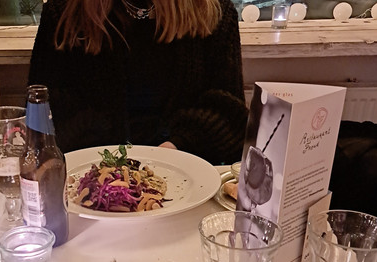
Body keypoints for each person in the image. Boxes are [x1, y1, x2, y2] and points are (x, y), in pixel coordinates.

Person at [28, 0, 248, 165]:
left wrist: (180, 145)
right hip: (86, 179)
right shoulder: (63, 14)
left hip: (189, 178)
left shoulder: (213, 12)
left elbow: (229, 115)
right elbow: (42, 116)